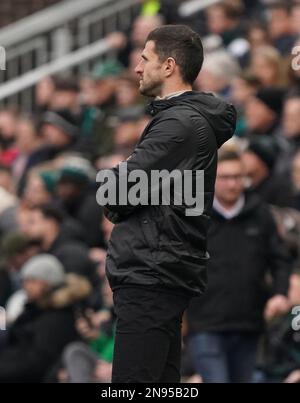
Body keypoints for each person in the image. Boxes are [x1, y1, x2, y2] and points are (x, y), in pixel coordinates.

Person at [97, 24, 236, 382]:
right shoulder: (178, 120)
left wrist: (115, 182)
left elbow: (114, 192)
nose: (137, 68)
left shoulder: (179, 124)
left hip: (152, 271)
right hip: (156, 270)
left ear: (170, 65)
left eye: (144, 58)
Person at [186, 150, 291, 383]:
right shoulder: (195, 216)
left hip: (249, 322)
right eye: (225, 177)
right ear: (212, 179)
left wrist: (280, 294)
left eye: (237, 177)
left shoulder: (261, 214)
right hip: (206, 322)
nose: (232, 184)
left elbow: (280, 259)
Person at [0, 254, 91, 382]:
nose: (26, 286)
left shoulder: (57, 317)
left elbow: (37, 362)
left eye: (31, 280)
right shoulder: (35, 310)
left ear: (47, 283)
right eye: (25, 281)